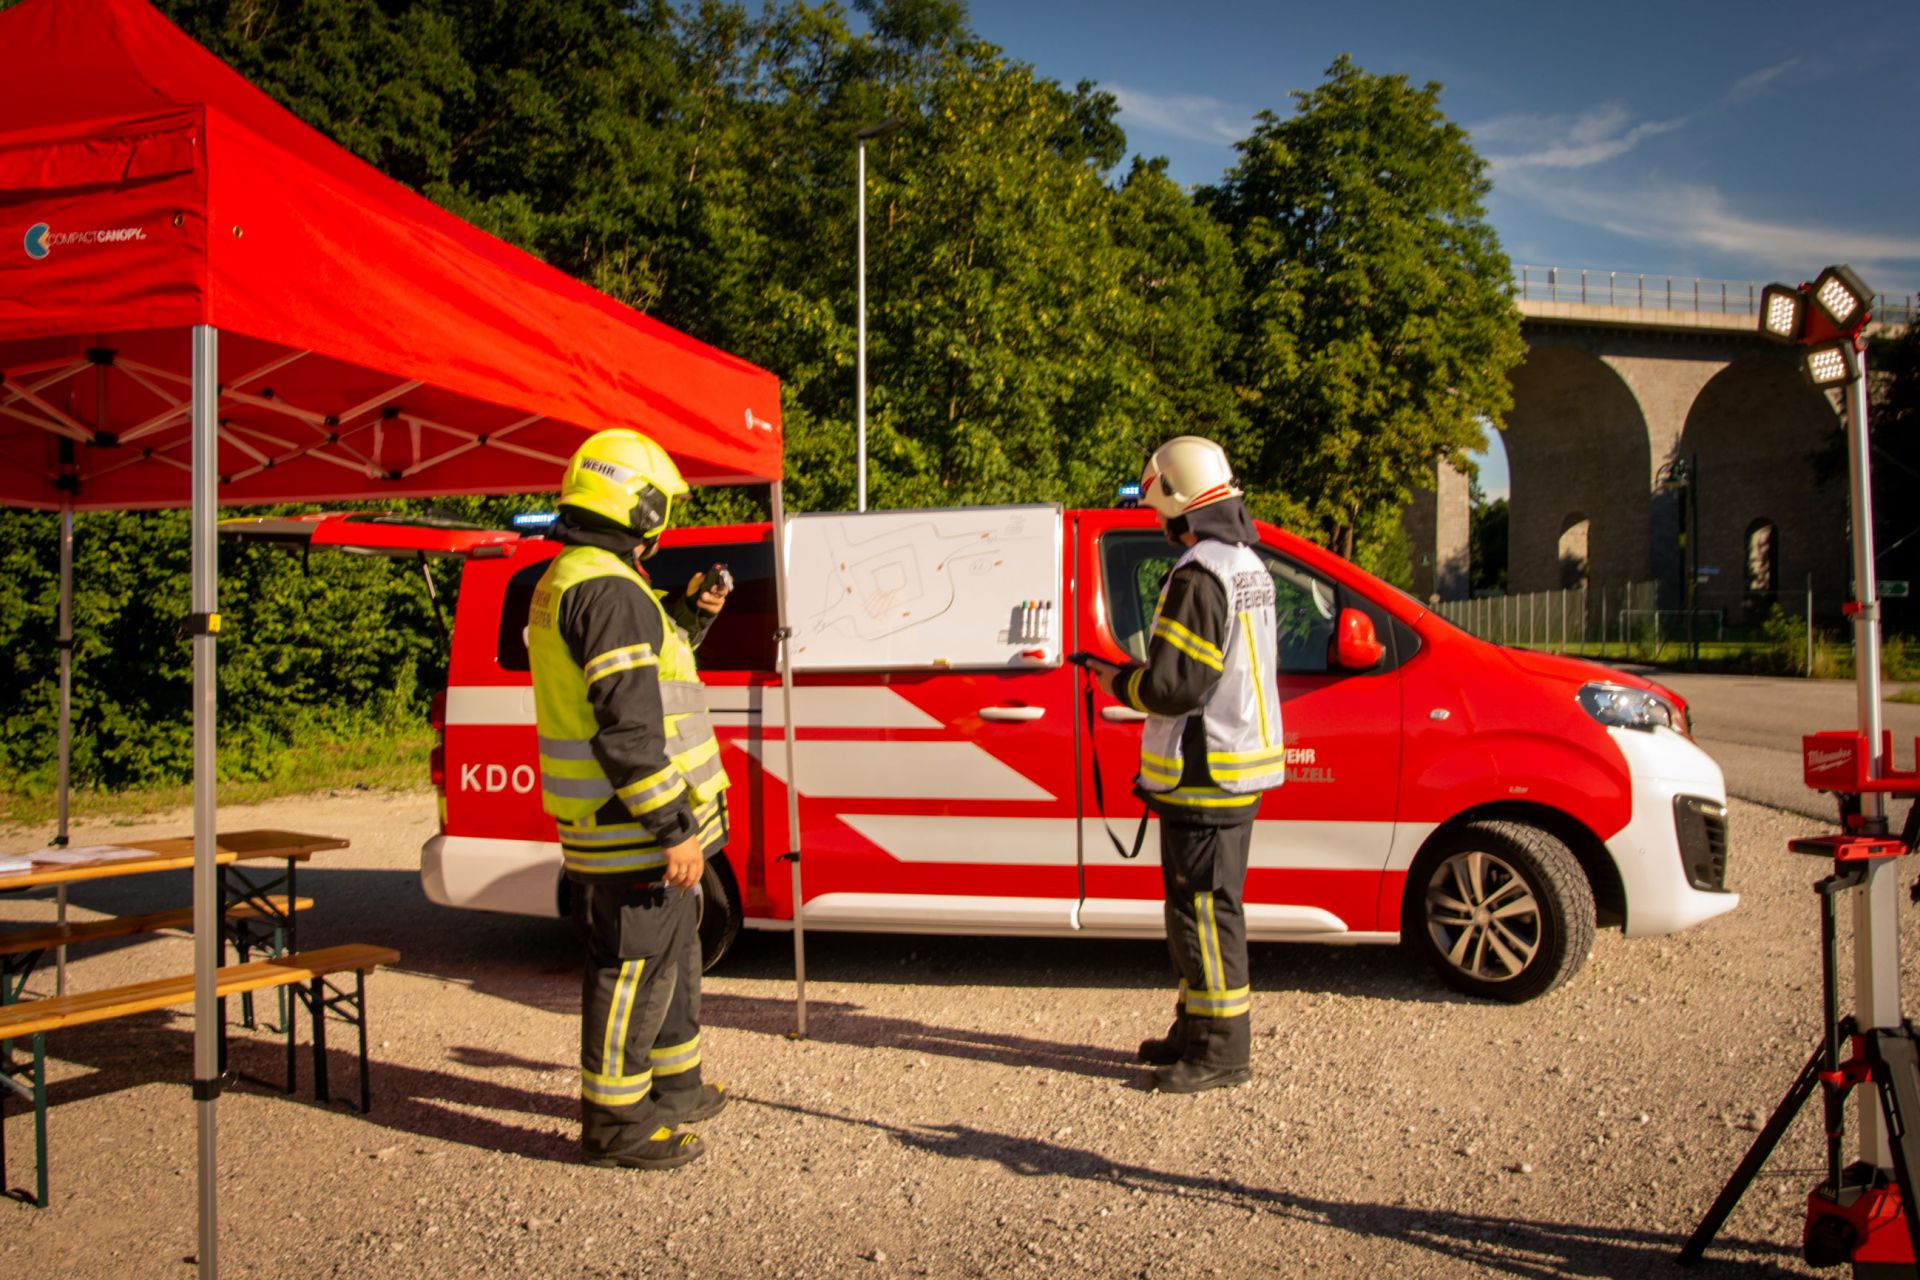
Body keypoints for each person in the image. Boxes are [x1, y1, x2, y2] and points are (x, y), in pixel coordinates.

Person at [527, 427, 734, 1169]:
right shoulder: (609, 590)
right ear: (640, 506)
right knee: (632, 971)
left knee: (671, 955)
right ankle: (616, 1125)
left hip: (634, 821)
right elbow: (628, 732)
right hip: (634, 827)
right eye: (662, 508)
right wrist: (673, 826)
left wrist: (694, 617)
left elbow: (657, 676)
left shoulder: (591, 577)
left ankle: (674, 1086)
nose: (665, 521)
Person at [1083, 436, 1286, 1094]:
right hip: (1231, 767)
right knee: (1200, 909)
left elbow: (1174, 687)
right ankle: (1195, 1030)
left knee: (1203, 913)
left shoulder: (1200, 574)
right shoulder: (1244, 563)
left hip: (1208, 773)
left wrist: (1116, 682)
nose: (1158, 523)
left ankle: (1221, 1052)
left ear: (1180, 502)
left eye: (1158, 508)